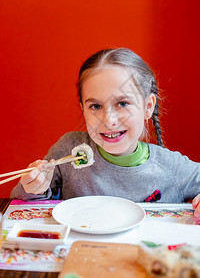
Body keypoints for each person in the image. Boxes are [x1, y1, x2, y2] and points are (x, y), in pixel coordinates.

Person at [10, 48, 200, 223]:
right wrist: (32, 189)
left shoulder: (171, 168)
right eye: (96, 106)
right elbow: (24, 209)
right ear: (83, 108)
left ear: (148, 106)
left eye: (123, 103)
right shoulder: (68, 149)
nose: (108, 120)